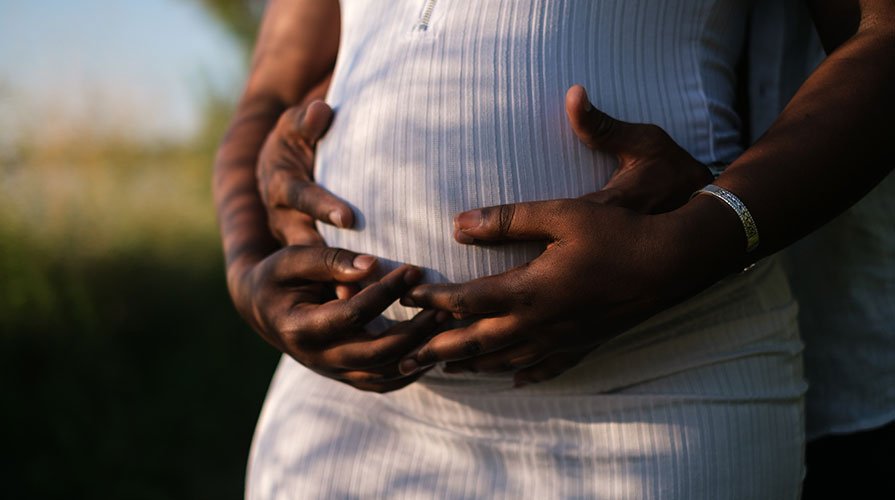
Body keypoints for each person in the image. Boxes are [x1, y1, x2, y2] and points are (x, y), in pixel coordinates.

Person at [212, 0, 894, 497]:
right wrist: (246, 268)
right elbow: (272, 86)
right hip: (344, 407)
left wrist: (692, 241)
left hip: (658, 387)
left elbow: (881, 37)